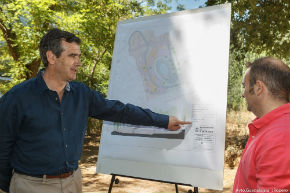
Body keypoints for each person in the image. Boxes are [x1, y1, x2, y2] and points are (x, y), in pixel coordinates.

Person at [0, 28, 191, 193]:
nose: (79, 62)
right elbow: (3, 144)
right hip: (31, 186)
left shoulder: (82, 94)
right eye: (72, 56)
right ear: (51, 57)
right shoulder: (18, 97)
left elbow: (121, 111)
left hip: (72, 183)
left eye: (79, 56)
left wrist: (163, 120)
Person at [233, 57, 290, 193]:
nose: (243, 94)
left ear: (258, 88)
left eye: (244, 86)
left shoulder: (278, 136)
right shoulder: (271, 127)